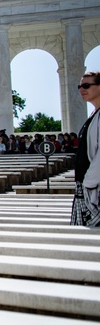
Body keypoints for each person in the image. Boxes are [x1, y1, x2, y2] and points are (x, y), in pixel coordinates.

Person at [72, 71, 100, 227]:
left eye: (87, 85)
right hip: (87, 188)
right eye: (80, 86)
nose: (82, 89)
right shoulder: (94, 114)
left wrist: (89, 181)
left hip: (94, 188)